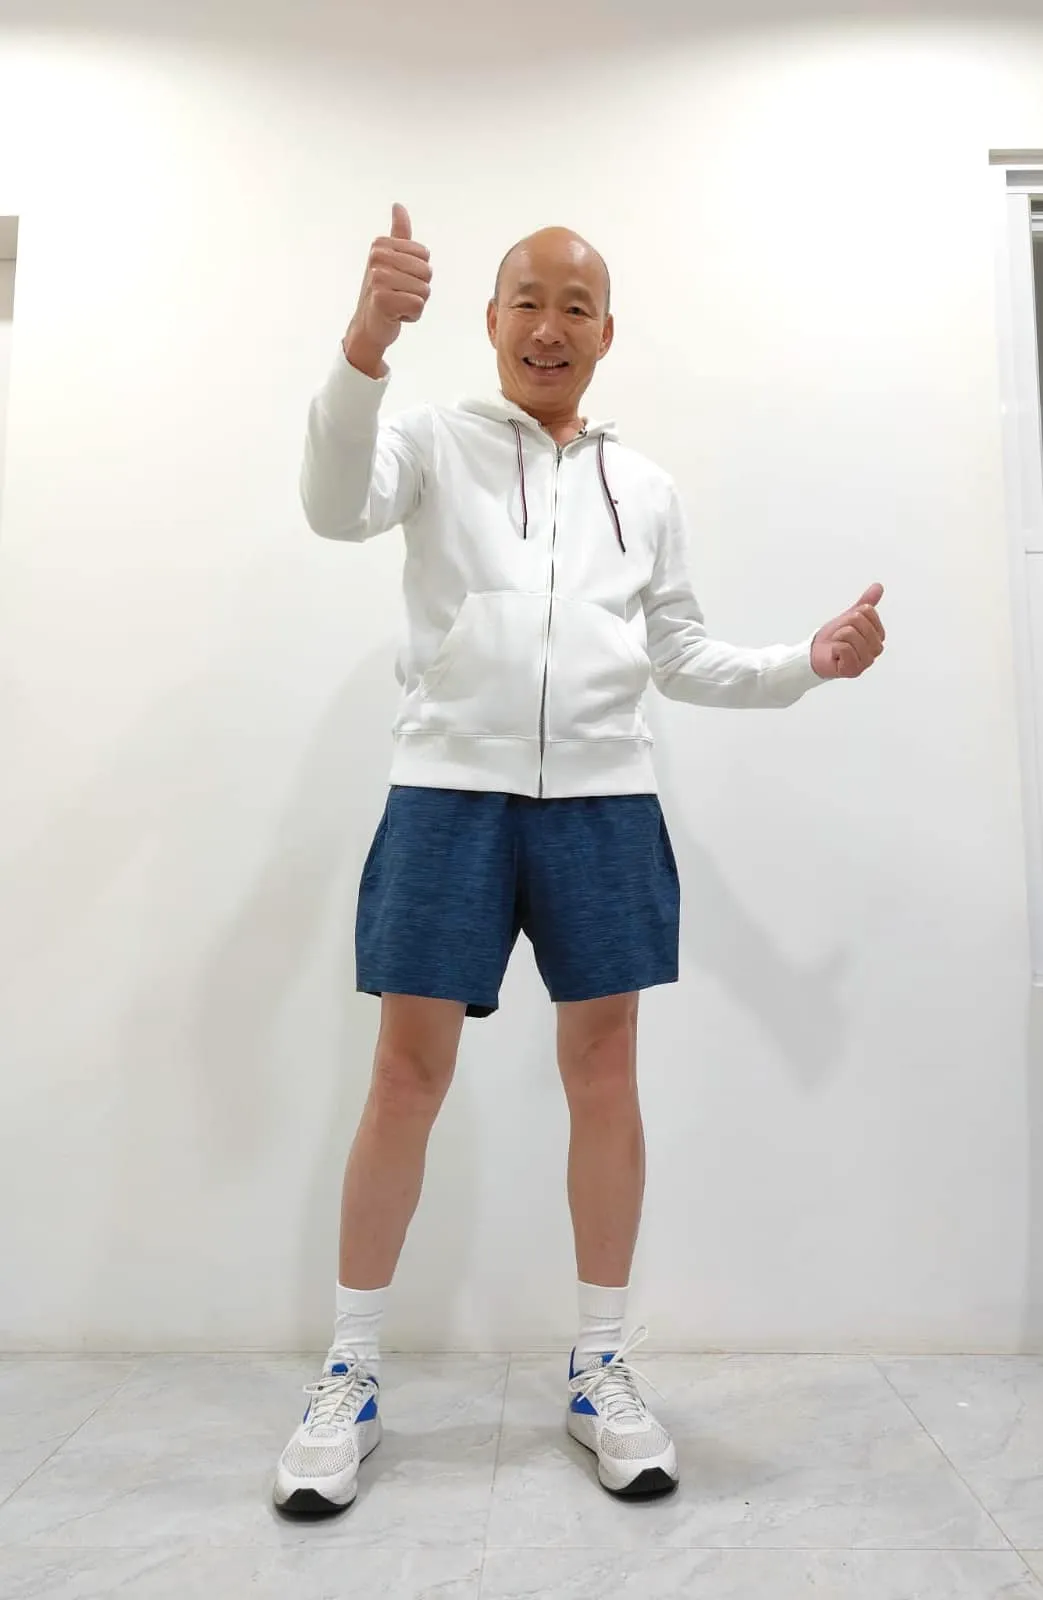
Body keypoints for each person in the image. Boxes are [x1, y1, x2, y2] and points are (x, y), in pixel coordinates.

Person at [273, 204, 885, 1518]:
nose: (548, 327)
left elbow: (680, 653)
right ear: (490, 320)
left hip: (604, 803)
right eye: (527, 302)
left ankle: (601, 1366)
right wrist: (366, 339)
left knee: (605, 1075)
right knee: (405, 1075)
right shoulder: (427, 442)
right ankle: (350, 1372)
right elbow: (330, 506)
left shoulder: (643, 488)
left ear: (606, 333)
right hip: (447, 792)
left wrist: (805, 662)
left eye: (575, 307)